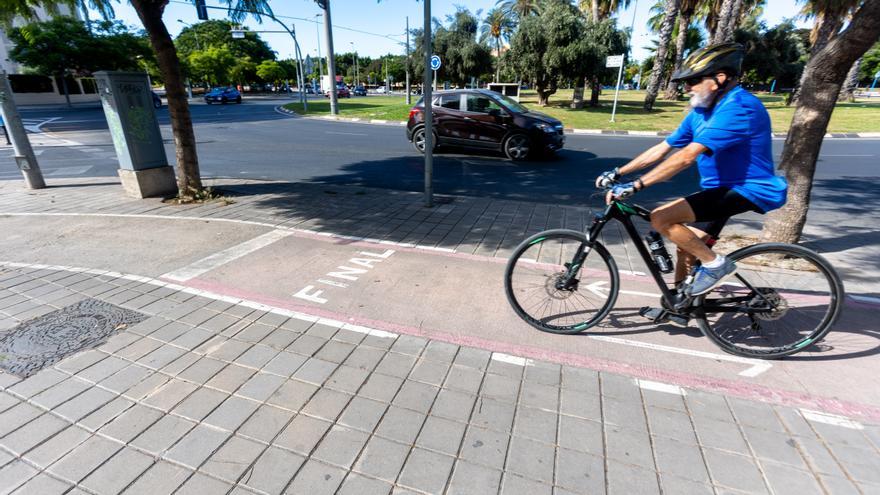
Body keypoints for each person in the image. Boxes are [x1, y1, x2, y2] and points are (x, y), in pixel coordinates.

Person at [595, 42, 788, 326]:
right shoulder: (701, 111)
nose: (687, 88)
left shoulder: (739, 107)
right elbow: (663, 148)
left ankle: (715, 265)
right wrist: (619, 172)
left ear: (720, 78)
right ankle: (680, 305)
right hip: (720, 189)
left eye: (693, 81)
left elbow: (686, 157)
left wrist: (635, 186)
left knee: (662, 218)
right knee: (686, 243)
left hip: (748, 189)